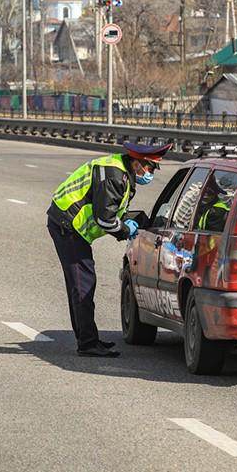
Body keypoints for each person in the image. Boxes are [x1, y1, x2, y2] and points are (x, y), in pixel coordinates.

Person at [47, 142, 171, 357]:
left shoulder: (122, 172)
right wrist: (124, 230)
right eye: (150, 167)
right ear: (136, 163)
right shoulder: (115, 175)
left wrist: (132, 221)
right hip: (68, 225)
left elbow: (114, 208)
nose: (150, 173)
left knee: (81, 284)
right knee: (83, 284)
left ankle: (87, 338)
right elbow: (104, 219)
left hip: (71, 225)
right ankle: (87, 343)